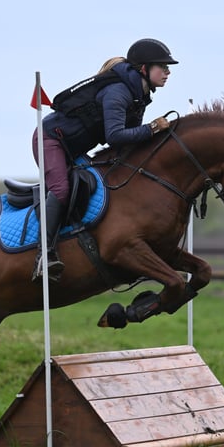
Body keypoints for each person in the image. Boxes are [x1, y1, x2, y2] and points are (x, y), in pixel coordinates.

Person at [31, 38, 178, 283]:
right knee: (61, 189)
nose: (167, 72)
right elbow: (116, 136)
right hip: (50, 141)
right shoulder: (118, 92)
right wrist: (153, 128)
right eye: (162, 67)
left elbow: (128, 145)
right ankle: (43, 255)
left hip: (74, 148)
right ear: (144, 68)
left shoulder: (137, 95)